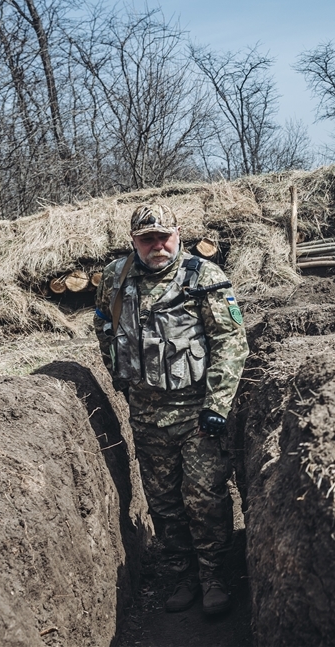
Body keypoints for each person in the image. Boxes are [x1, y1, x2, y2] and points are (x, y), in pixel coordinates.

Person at [94, 203, 248, 616]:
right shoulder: (115, 276)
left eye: (165, 237)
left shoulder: (203, 276)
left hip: (197, 413)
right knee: (162, 502)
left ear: (178, 234)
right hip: (146, 416)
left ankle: (214, 577)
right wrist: (119, 377)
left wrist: (217, 405)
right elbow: (103, 326)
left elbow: (231, 343)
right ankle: (182, 576)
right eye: (148, 239)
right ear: (134, 242)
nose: (158, 246)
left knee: (204, 497)